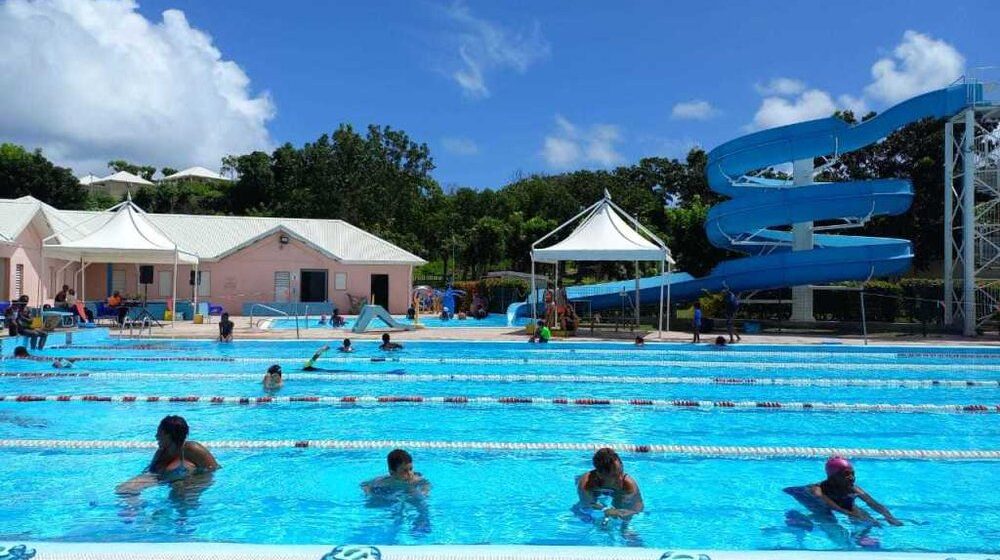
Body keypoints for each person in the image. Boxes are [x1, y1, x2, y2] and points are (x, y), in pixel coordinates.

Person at [783, 456, 902, 548]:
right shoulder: (816, 489)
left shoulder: (853, 488)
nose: (851, 477)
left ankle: (860, 536)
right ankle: (802, 520)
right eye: (846, 474)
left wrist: (889, 517)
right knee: (828, 518)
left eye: (852, 474)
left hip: (834, 499)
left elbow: (872, 503)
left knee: (862, 514)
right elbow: (830, 504)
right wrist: (850, 514)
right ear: (833, 476)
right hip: (809, 497)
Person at [116, 415, 220, 494]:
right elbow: (151, 472)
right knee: (124, 489)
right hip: (164, 478)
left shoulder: (192, 449)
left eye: (159, 433)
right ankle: (133, 514)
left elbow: (214, 469)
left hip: (190, 482)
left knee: (179, 490)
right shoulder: (162, 452)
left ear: (168, 435)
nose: (156, 436)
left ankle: (183, 519)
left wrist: (193, 481)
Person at [576, 447, 644, 521]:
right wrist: (605, 509)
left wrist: (627, 512)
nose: (620, 478)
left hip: (615, 491)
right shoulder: (587, 484)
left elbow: (638, 506)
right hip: (596, 489)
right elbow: (587, 504)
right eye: (614, 475)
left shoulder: (627, 483)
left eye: (621, 472)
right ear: (600, 475)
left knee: (621, 504)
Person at [362, 448, 430, 496]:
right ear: (392, 473)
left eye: (411, 469)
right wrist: (369, 493)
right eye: (404, 471)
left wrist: (424, 492)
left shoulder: (415, 479)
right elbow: (365, 485)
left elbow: (426, 484)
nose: (410, 474)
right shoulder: (385, 481)